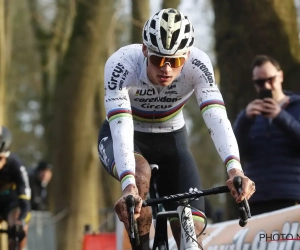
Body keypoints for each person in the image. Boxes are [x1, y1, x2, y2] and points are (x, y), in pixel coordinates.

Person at [98, 8, 255, 249]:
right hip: (127, 137)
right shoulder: (122, 64)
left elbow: (216, 117)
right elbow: (121, 126)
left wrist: (235, 170)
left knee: (190, 232)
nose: (167, 69)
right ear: (144, 51)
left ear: (187, 56)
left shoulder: (199, 64)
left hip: (172, 140)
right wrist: (128, 185)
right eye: (158, 59)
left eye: (176, 61)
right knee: (139, 178)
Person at [233, 54, 300, 216]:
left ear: (281, 76)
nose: (267, 86)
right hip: (256, 198)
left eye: (271, 79)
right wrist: (244, 120)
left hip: (292, 195)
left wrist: (280, 117)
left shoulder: (297, 107)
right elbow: (234, 152)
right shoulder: (250, 114)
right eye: (260, 82)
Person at [0, 126, 31, 250]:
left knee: (18, 227)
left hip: (11, 203)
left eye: (0, 158)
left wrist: (21, 222)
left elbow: (25, 202)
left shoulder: (16, 166)